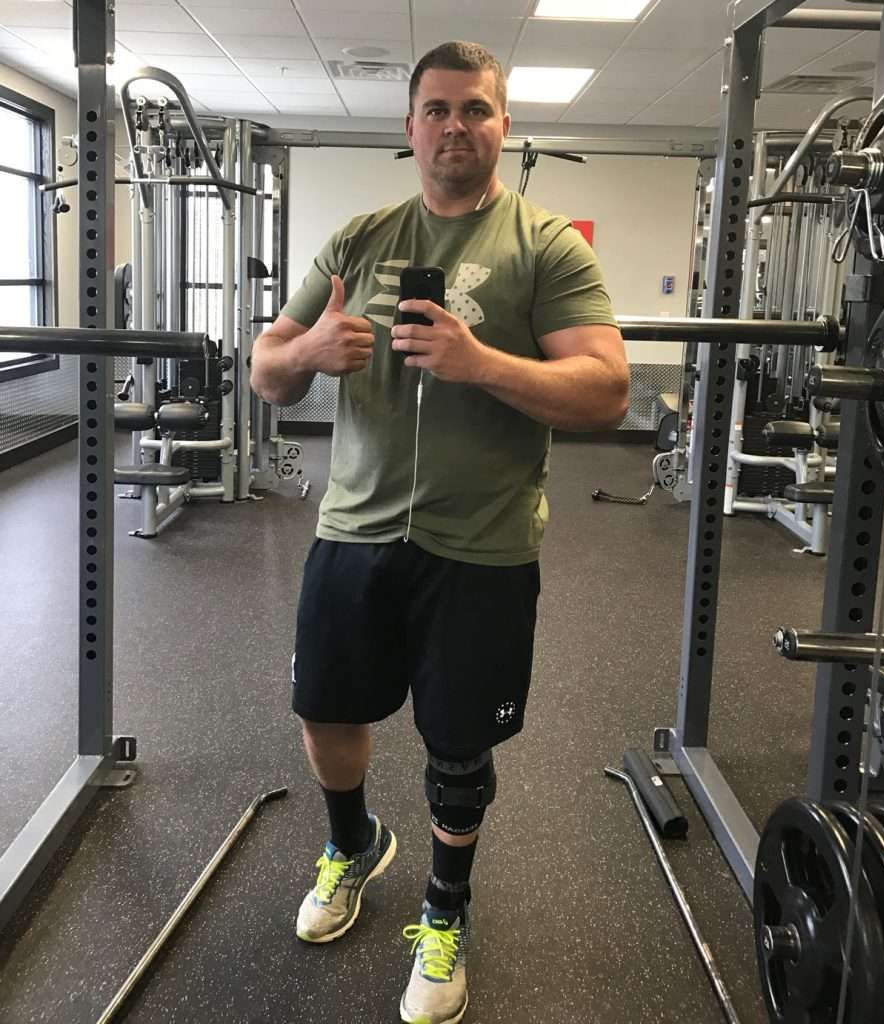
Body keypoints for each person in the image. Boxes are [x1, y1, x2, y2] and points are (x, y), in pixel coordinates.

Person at [250, 39, 629, 1024]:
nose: (456, 126)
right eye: (438, 110)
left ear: (502, 126)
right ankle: (351, 844)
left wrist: (483, 363)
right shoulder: (360, 237)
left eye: (476, 110)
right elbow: (264, 364)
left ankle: (444, 910)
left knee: (458, 748)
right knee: (327, 713)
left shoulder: (546, 246)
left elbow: (605, 387)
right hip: (354, 530)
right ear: (408, 126)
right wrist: (308, 351)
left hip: (482, 545)